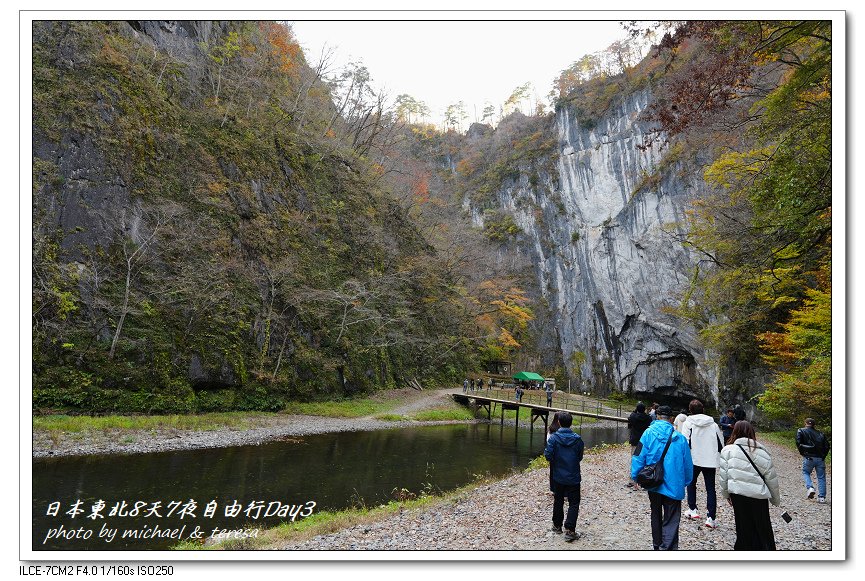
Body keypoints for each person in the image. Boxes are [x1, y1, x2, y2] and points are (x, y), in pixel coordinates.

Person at [631, 405, 694, 550]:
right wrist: (686, 481)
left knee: (655, 513)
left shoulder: (647, 433)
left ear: (657, 416)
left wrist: (636, 476)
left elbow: (638, 456)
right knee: (671, 518)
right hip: (674, 484)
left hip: (653, 481)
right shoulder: (680, 438)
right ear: (671, 419)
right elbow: (688, 465)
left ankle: (657, 545)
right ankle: (668, 548)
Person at [719, 420, 780, 550]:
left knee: (742, 525)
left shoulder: (728, 450)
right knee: (762, 526)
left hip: (737, 494)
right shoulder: (762, 452)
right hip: (758, 495)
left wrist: (726, 494)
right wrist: (775, 499)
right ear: (752, 433)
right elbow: (771, 478)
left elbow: (723, 476)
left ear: (735, 432)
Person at [682, 399, 725, 528]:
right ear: (703, 409)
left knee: (691, 484)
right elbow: (720, 442)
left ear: (690, 410)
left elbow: (684, 442)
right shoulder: (713, 424)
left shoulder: (688, 423)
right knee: (710, 488)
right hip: (710, 460)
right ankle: (710, 518)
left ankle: (693, 509)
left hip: (693, 458)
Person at [544, 412, 585, 541]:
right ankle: (570, 530)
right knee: (574, 503)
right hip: (573, 475)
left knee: (558, 500)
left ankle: (557, 526)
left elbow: (548, 456)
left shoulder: (553, 438)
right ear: (571, 423)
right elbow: (580, 457)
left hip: (558, 476)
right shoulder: (577, 439)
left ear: (559, 423)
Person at [796, 418, 830, 503]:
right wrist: (823, 456)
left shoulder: (801, 431)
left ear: (805, 423)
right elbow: (827, 446)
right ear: (814, 425)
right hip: (820, 458)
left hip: (808, 457)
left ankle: (810, 487)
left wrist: (803, 453)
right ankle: (822, 497)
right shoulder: (821, 434)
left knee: (806, 472)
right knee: (821, 477)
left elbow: (798, 442)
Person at [626, 402, 652, 487]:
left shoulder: (634, 417)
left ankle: (632, 481)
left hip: (635, 441)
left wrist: (634, 411)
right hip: (645, 442)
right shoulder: (648, 418)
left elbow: (631, 417)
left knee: (634, 460)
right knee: (644, 460)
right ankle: (643, 480)